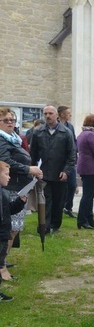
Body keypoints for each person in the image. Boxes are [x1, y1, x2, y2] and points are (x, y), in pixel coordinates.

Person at [0, 107, 43, 278]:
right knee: (10, 228)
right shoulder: (2, 140)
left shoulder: (13, 139)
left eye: (12, 120)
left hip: (19, 186)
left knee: (14, 228)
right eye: (6, 120)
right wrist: (28, 168)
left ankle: (3, 260)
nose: (10, 123)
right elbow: (5, 161)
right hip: (10, 187)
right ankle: (1, 266)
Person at [29, 105, 76, 234]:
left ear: (56, 115)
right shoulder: (38, 132)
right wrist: (32, 169)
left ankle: (55, 224)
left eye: (50, 113)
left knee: (58, 200)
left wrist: (66, 171)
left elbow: (72, 155)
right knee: (45, 200)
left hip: (60, 173)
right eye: (45, 114)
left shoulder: (66, 132)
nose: (48, 116)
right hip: (43, 173)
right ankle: (44, 225)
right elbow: (33, 153)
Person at [0, 161, 27, 302]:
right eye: (6, 174)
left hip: (4, 233)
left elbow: (9, 209)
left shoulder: (3, 192)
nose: (9, 177)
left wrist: (20, 202)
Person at [75, 114, 94, 229]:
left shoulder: (82, 134)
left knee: (89, 194)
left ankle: (89, 219)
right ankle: (82, 219)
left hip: (84, 165)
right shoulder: (91, 135)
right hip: (90, 166)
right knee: (88, 195)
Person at [58, 106, 78, 218]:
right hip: (60, 160)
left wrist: (75, 152)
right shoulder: (57, 126)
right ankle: (59, 207)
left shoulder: (70, 126)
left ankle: (68, 206)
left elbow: (74, 141)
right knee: (61, 186)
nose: (70, 115)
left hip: (71, 160)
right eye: (68, 113)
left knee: (72, 185)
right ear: (61, 114)